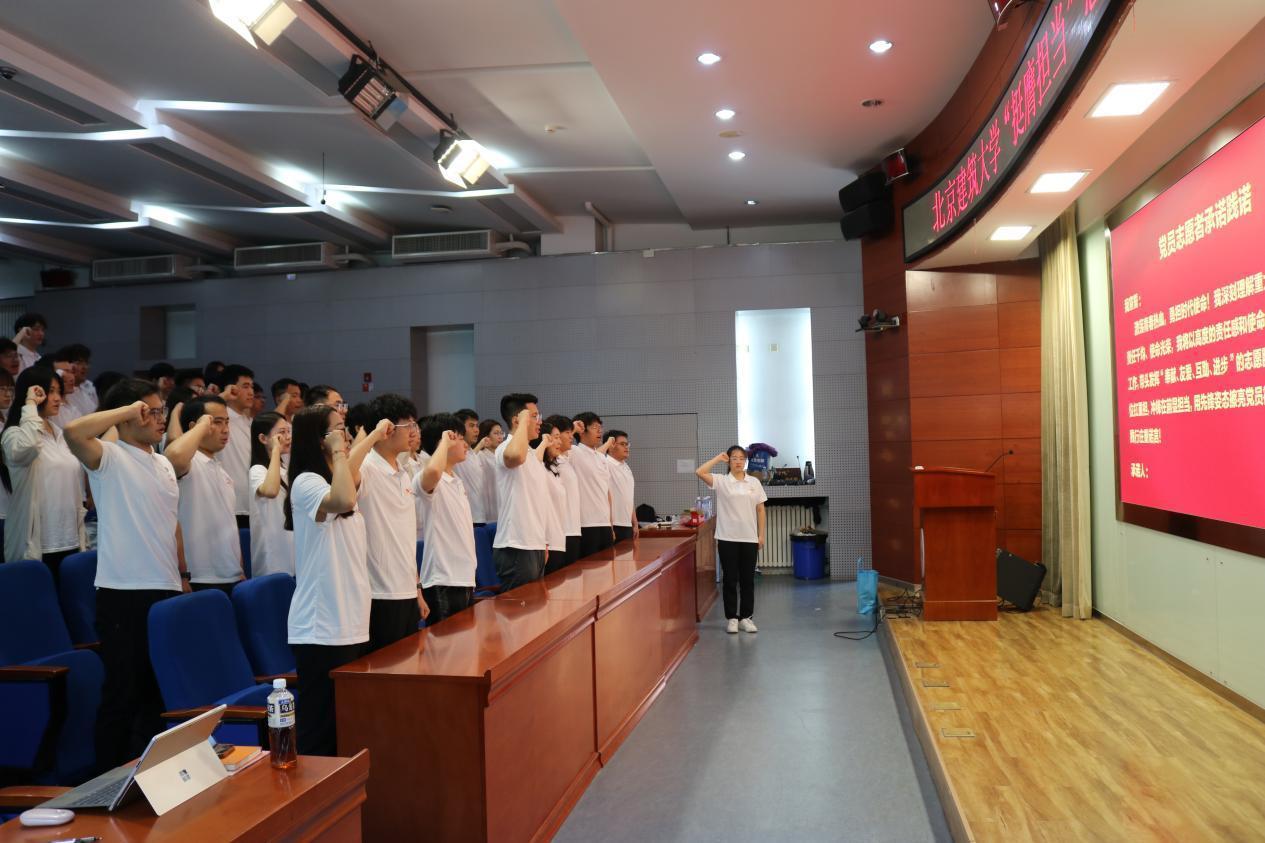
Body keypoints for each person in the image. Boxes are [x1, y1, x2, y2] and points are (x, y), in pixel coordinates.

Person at [64, 378, 193, 767]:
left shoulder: (162, 462)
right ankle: (106, 779)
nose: (159, 418)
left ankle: (149, 776)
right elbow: (73, 432)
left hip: (166, 590)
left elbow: (171, 523)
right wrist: (124, 411)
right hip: (123, 593)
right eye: (150, 412)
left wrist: (183, 576)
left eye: (160, 410)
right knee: (123, 693)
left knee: (158, 692)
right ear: (126, 416)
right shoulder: (108, 457)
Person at [284, 404, 373, 757]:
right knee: (320, 728)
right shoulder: (306, 482)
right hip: (321, 626)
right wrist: (339, 451)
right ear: (318, 439)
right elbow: (343, 498)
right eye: (336, 430)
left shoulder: (336, 477)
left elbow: (351, 480)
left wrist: (366, 439)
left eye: (344, 428)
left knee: (346, 724)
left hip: (349, 619)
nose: (344, 436)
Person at [1, 367, 84, 579]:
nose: (57, 398)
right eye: (50, 391)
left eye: (59, 392)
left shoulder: (60, 434)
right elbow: (27, 447)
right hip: (37, 545)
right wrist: (29, 404)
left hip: (71, 540)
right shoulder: (14, 434)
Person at [359, 394, 426, 651]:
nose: (414, 431)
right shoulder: (366, 469)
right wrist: (371, 437)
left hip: (406, 588)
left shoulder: (403, 473)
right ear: (386, 429)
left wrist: (417, 588)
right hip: (380, 592)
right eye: (408, 425)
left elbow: (406, 537)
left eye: (414, 424)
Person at [167, 396, 244, 594]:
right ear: (196, 426)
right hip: (200, 576)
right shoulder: (190, 462)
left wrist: (240, 568)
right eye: (216, 422)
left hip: (231, 573)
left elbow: (230, 526)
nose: (225, 429)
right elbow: (173, 456)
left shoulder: (221, 470)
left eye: (227, 422)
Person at [696, 447, 767, 634]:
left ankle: (746, 617)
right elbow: (700, 472)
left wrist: (761, 535)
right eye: (734, 458)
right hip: (727, 537)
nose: (738, 461)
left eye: (741, 458)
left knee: (747, 580)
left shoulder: (754, 482)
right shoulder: (721, 481)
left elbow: (761, 510)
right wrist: (717, 458)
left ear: (745, 461)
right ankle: (732, 618)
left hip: (749, 538)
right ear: (729, 461)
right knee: (730, 579)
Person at [416, 414, 476, 624]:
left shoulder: (456, 480)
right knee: (446, 643)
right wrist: (444, 441)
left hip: (464, 578)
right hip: (443, 579)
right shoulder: (430, 477)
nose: (465, 444)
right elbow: (433, 470)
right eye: (458, 438)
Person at [492, 393, 549, 590]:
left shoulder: (531, 454)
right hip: (516, 546)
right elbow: (515, 456)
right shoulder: (505, 447)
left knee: (537, 605)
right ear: (517, 419)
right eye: (534, 416)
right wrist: (524, 423)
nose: (539, 421)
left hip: (533, 544)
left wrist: (542, 542)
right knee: (520, 607)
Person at [248, 411, 294, 577]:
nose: (288, 437)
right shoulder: (257, 470)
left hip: (290, 550)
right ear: (263, 438)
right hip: (272, 558)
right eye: (281, 433)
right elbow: (271, 490)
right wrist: (275, 450)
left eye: (288, 431)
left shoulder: (284, 469)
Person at [214, 364, 255, 527]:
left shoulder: (249, 421)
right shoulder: (219, 418)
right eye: (245, 386)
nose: (251, 392)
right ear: (231, 388)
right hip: (230, 503)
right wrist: (223, 396)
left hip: (251, 502)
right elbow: (198, 411)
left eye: (252, 387)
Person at [570, 412, 614, 556]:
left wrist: (610, 524)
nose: (600, 431)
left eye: (600, 427)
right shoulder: (574, 452)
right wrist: (573, 428)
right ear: (582, 430)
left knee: (609, 567)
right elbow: (558, 441)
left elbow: (606, 492)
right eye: (595, 427)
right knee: (589, 568)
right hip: (586, 524)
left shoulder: (601, 458)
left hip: (605, 525)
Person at [539, 417, 574, 574]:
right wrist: (544, 542)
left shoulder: (554, 468)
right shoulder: (539, 468)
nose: (559, 442)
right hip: (547, 543)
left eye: (560, 437)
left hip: (559, 539)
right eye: (555, 437)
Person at [452, 409, 489, 526]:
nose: (476, 430)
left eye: (477, 426)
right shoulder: (454, 453)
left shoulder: (473, 453)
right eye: (471, 426)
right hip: (467, 518)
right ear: (460, 429)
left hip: (481, 516)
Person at [604, 430, 638, 543]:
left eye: (627, 444)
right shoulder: (605, 464)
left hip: (627, 524)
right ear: (610, 446)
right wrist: (610, 526)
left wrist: (635, 522)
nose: (626, 447)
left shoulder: (626, 467)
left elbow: (629, 497)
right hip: (614, 524)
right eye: (622, 444)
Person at [474, 418, 503, 522]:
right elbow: (468, 463)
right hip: (487, 507)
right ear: (486, 436)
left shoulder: (501, 455)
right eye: (496, 433)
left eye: (501, 433)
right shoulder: (480, 455)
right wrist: (480, 445)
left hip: (502, 503)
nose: (500, 437)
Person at [63, 344, 96, 417]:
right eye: (79, 363)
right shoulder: (66, 394)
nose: (84, 367)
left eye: (86, 362)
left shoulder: (87, 388)